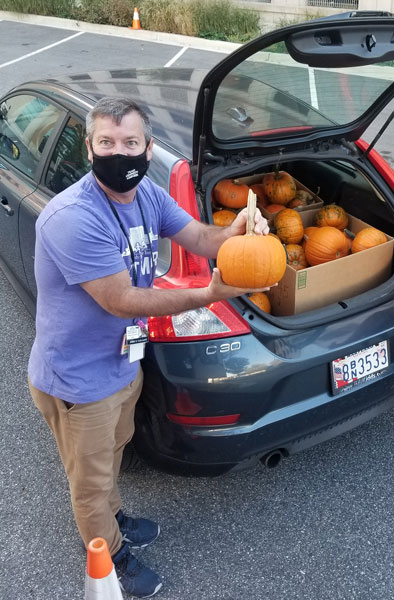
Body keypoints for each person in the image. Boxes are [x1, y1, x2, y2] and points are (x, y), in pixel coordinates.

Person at [27, 96, 271, 597]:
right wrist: (208, 293)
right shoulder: (72, 217)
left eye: (130, 143)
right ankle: (109, 555)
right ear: (90, 151)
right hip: (77, 378)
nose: (120, 153)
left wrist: (235, 236)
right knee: (89, 481)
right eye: (107, 143)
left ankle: (112, 518)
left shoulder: (148, 197)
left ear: (148, 147)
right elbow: (120, 300)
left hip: (122, 362)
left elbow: (201, 237)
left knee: (115, 450)